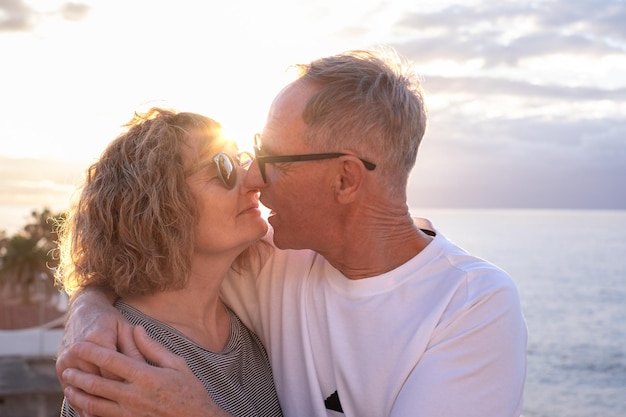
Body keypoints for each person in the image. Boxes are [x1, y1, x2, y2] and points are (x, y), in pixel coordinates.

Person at [57, 49, 528, 417]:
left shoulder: (468, 306)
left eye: (272, 159)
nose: (255, 179)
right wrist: (89, 313)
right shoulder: (270, 257)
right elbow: (142, 255)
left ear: (344, 179)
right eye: (246, 155)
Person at [54, 108, 283, 417]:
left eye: (240, 159)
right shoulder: (120, 362)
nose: (254, 178)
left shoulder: (249, 317)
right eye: (223, 167)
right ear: (158, 205)